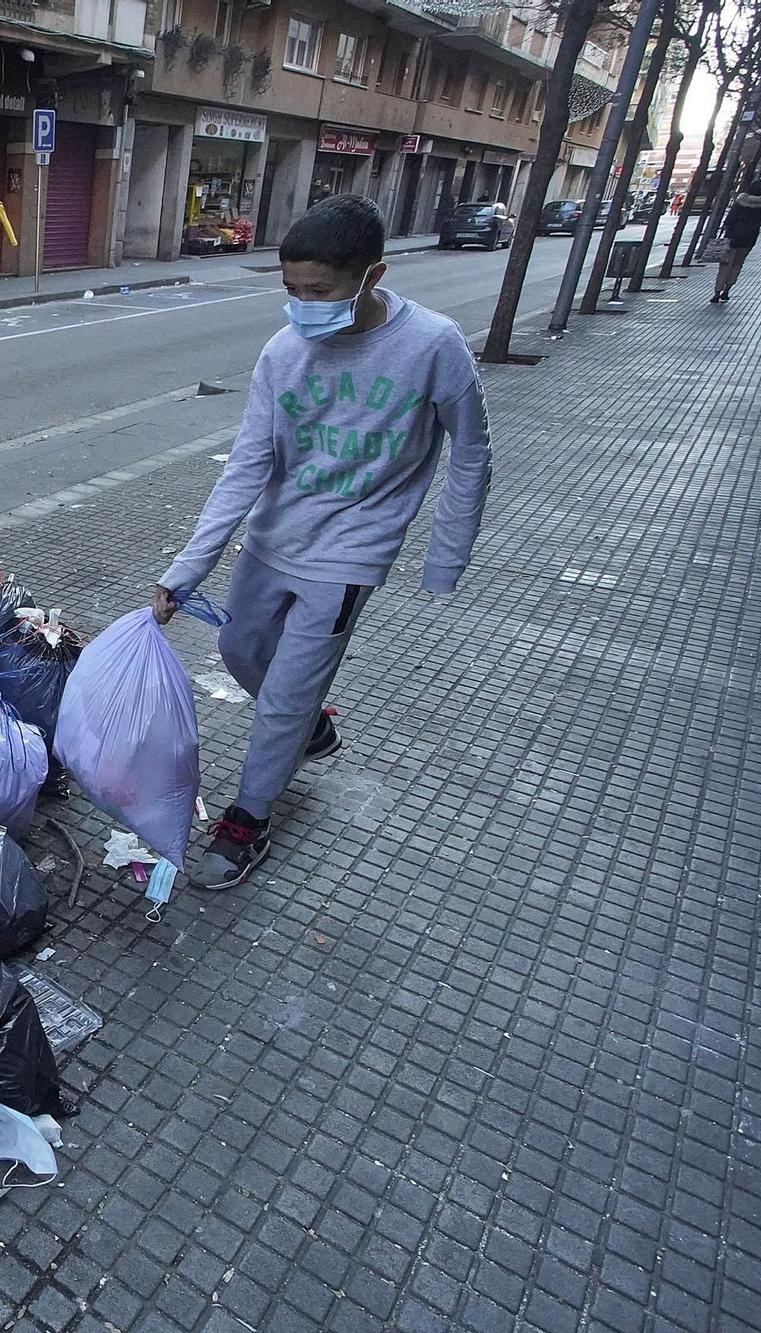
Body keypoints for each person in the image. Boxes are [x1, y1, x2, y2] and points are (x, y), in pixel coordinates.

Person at [151, 194, 492, 892]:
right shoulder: (283, 351)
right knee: (239, 650)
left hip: (350, 554)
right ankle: (308, 730)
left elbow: (472, 451)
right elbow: (248, 462)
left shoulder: (432, 344)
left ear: (372, 276)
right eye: (291, 291)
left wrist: (445, 555)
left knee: (287, 691)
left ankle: (249, 816)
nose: (304, 305)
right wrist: (185, 571)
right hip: (272, 539)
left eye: (320, 290)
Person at [710, 178, 761, 303]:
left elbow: (730, 218)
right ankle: (727, 291)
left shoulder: (742, 200)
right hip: (750, 236)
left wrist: (724, 229)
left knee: (725, 264)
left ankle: (717, 292)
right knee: (737, 264)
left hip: (733, 234)